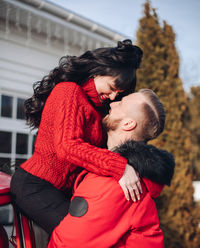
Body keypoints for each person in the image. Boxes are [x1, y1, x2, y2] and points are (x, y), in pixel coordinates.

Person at [47, 89, 175, 248]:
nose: (112, 103)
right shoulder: (127, 175)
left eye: (121, 103)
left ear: (128, 124)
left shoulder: (115, 184)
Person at [10, 39, 143, 235]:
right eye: (113, 87)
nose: (114, 96)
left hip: (62, 192)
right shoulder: (69, 91)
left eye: (119, 93)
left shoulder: (98, 110)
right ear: (98, 72)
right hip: (34, 185)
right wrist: (119, 167)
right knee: (81, 240)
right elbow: (67, 146)